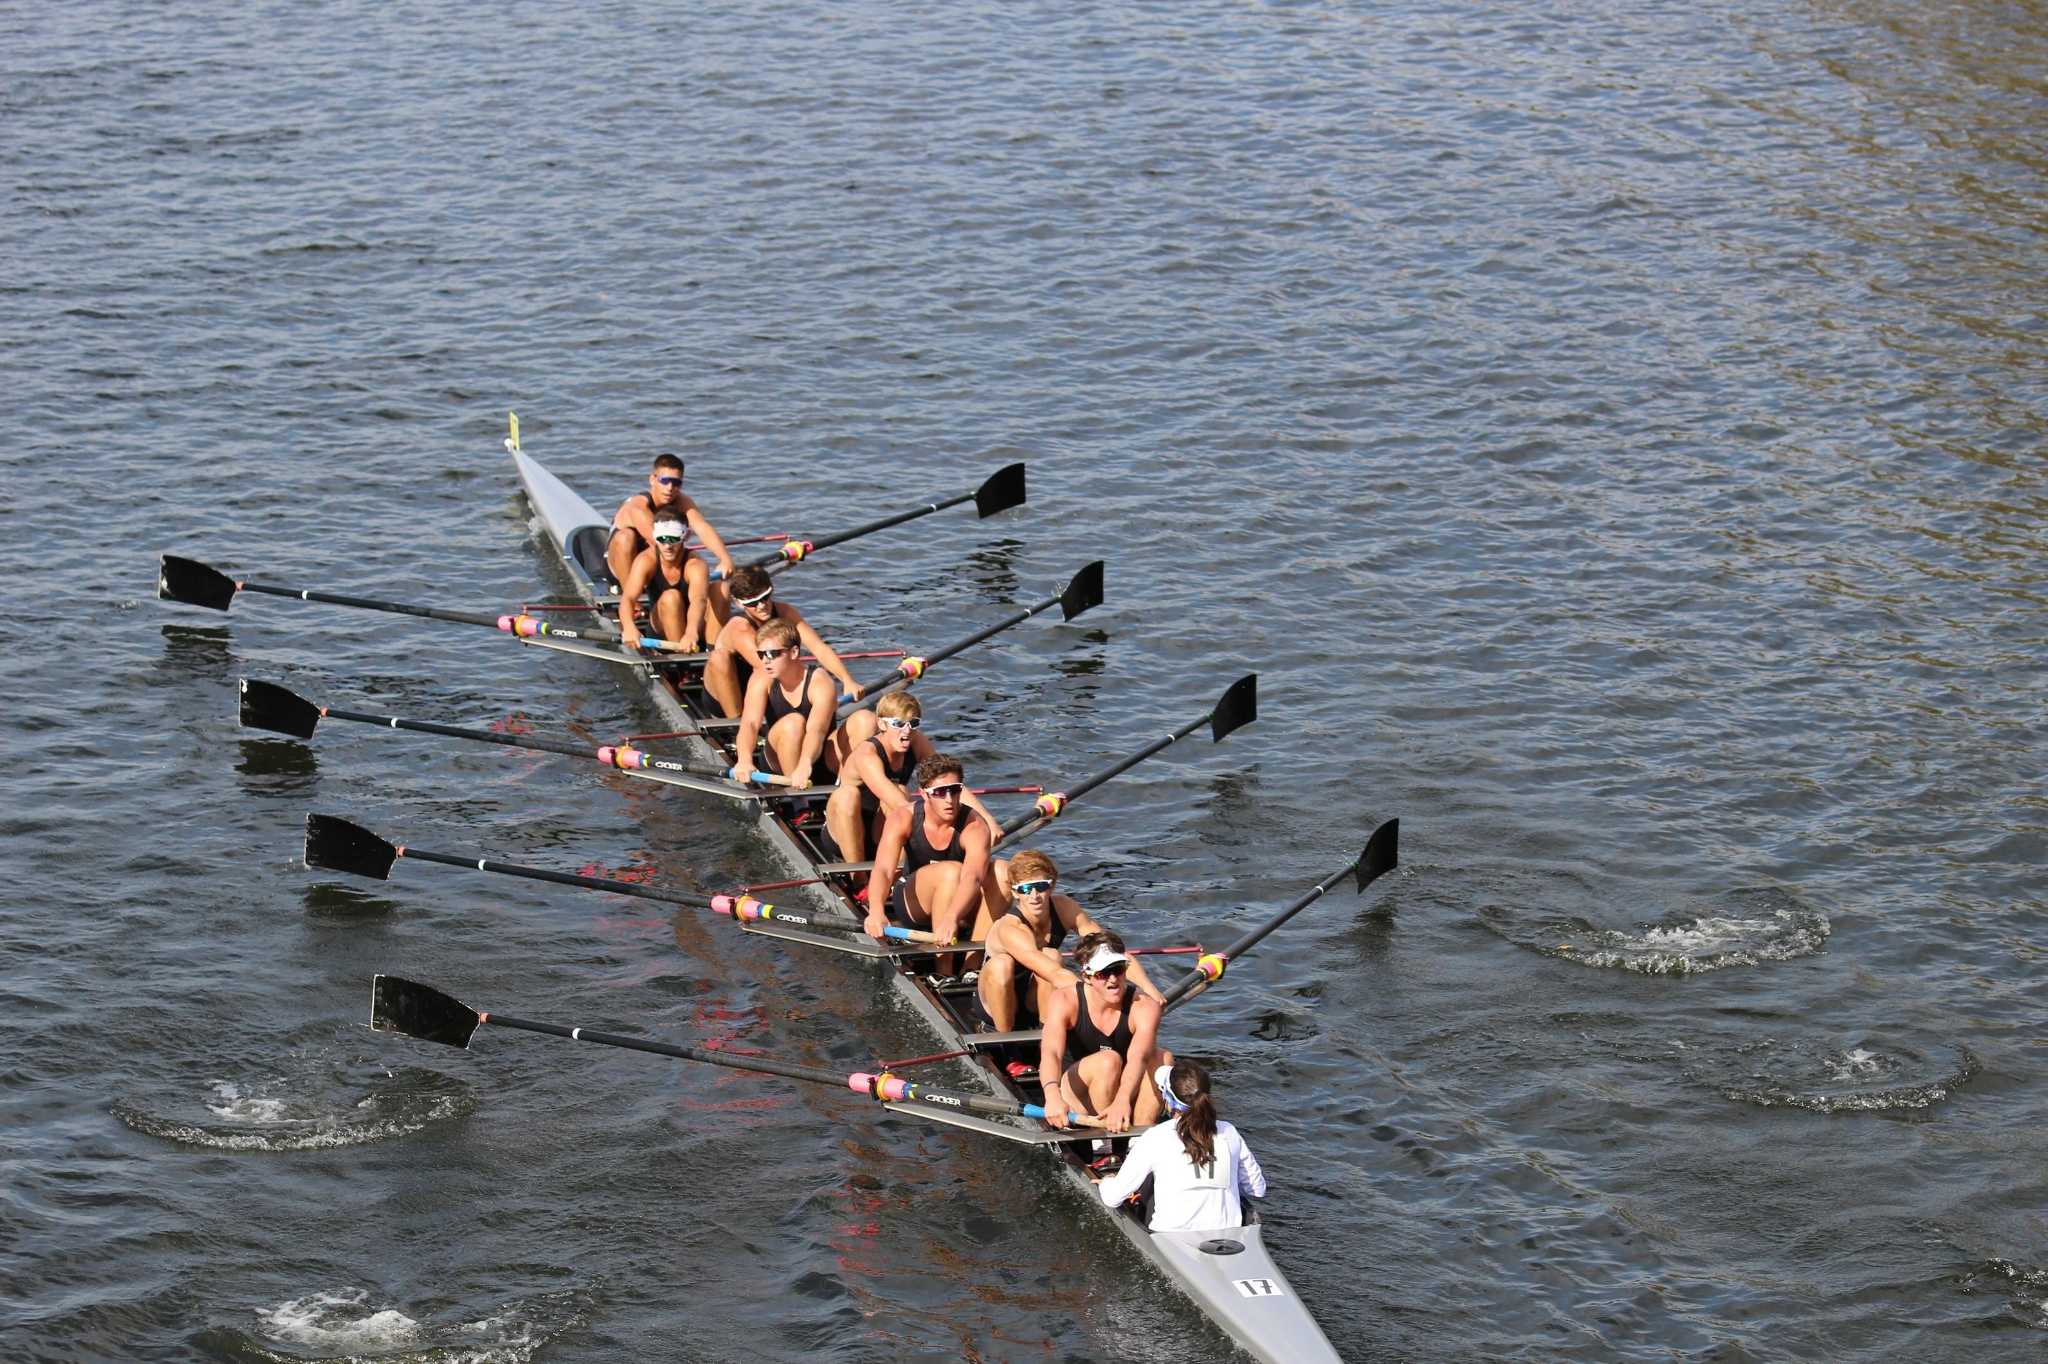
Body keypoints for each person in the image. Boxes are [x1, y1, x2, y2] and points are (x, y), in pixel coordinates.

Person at [974, 850, 1163, 1039]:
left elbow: (1109, 950)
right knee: (1003, 965)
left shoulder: (1064, 907)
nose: (1034, 896)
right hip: (994, 1002)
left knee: (1052, 955)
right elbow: (1054, 973)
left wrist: (1148, 989)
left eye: (1040, 886)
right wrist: (1100, 995)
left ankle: (1045, 1036)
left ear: (1052, 886)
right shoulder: (1011, 928)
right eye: (1025, 889)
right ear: (1015, 892)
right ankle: (1004, 1044)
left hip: (1031, 998)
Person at [823, 692, 998, 863]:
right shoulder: (867, 754)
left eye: (913, 723)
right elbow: (899, 804)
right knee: (850, 796)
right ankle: (857, 878)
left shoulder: (917, 741)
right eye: (898, 723)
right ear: (882, 724)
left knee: (903, 791)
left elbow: (949, 782)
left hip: (881, 834)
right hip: (843, 834)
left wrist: (985, 820)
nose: (906, 731)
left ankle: (897, 879)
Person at [1096, 1060, 1267, 1233]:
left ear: (1168, 1099)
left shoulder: (1155, 1137)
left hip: (1169, 1234)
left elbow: (1112, 1199)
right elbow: (1257, 1189)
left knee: (1147, 1181)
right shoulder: (1229, 1131)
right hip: (1229, 1232)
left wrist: (1107, 1182)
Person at [863, 753, 1002, 963]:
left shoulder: (975, 825)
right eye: (939, 792)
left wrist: (951, 916)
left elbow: (973, 877)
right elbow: (883, 869)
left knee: (1001, 871)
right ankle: (942, 968)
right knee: (951, 871)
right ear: (924, 794)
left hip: (959, 902)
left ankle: (972, 964)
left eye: (955, 790)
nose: (949, 800)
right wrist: (876, 911)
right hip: (915, 901)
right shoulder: (903, 818)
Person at [1038, 930, 1172, 1136]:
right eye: (1103, 973)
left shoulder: (1145, 1006)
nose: (1112, 980)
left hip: (1124, 1089)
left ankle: (1140, 1137)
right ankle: (1103, 1142)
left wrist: (1122, 1099)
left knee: (1162, 1058)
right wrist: (1051, 1094)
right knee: (1108, 1060)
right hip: (1077, 1094)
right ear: (1087, 976)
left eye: (1117, 969)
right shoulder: (1064, 1000)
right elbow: (1051, 1053)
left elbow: (1139, 1057)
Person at [731, 618, 874, 792]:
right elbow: (750, 724)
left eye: (772, 654)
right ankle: (799, 803)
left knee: (865, 719)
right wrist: (744, 759)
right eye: (761, 655)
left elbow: (817, 730)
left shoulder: (820, 682)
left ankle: (845, 792)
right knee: (794, 723)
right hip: (777, 761)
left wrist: (805, 763)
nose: (765, 661)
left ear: (794, 652)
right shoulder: (761, 678)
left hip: (817, 756)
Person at [702, 565, 863, 718]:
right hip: (722, 698)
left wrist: (847, 680)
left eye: (765, 597)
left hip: (757, 687)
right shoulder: (740, 629)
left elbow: (818, 648)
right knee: (721, 657)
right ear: (738, 603)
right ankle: (734, 725)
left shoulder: (785, 611)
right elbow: (767, 670)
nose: (761, 606)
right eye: (752, 603)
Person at [606, 454, 734, 640]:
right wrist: (628, 626)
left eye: (676, 483)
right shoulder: (639, 507)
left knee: (720, 586)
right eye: (664, 481)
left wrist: (725, 559)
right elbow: (661, 544)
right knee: (626, 538)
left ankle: (714, 648)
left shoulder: (683, 502)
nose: (670, 488)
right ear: (652, 479)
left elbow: (702, 527)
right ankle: (635, 607)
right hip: (623, 564)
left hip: (665, 566)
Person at [615, 508, 700, 652]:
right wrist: (629, 627)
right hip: (659, 627)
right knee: (671, 597)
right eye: (662, 539)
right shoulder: (646, 560)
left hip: (692, 629)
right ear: (654, 536)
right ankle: (680, 664)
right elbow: (628, 598)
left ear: (686, 536)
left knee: (720, 588)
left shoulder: (696, 564)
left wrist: (691, 632)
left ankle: (717, 653)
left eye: (673, 539)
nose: (667, 546)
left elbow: (699, 600)